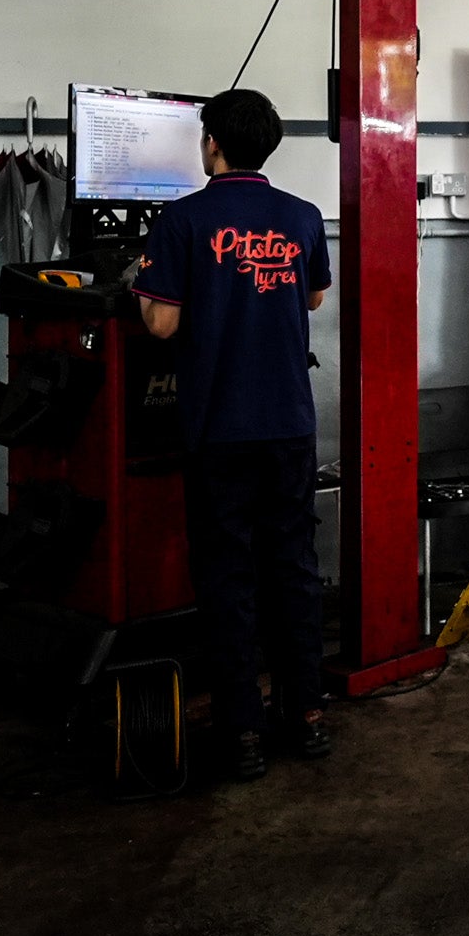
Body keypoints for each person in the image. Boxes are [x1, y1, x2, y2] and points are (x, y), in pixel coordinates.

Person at [131, 88, 332, 782]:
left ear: (212, 143)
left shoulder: (182, 221)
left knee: (228, 576)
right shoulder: (303, 217)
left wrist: (142, 283)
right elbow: (311, 296)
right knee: (294, 569)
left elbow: (159, 324)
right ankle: (307, 715)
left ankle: (243, 731)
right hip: (290, 425)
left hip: (219, 427)